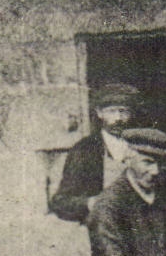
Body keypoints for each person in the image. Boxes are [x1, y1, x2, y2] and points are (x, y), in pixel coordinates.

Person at [50, 83, 139, 225]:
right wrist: (92, 203)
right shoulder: (85, 150)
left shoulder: (140, 146)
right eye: (111, 111)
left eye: (123, 112)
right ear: (99, 113)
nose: (118, 118)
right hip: (102, 225)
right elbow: (61, 201)